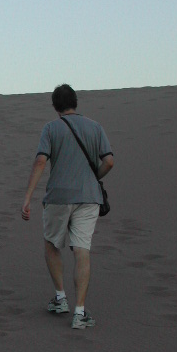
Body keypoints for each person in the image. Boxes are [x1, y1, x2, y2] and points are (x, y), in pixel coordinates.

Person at [21, 84, 114, 329]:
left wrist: (28, 197)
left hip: (58, 197)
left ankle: (61, 298)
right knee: (82, 249)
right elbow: (109, 161)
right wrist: (94, 175)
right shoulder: (95, 127)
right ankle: (79, 312)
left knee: (52, 243)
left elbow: (41, 160)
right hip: (89, 197)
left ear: (55, 106)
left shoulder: (51, 128)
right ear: (76, 102)